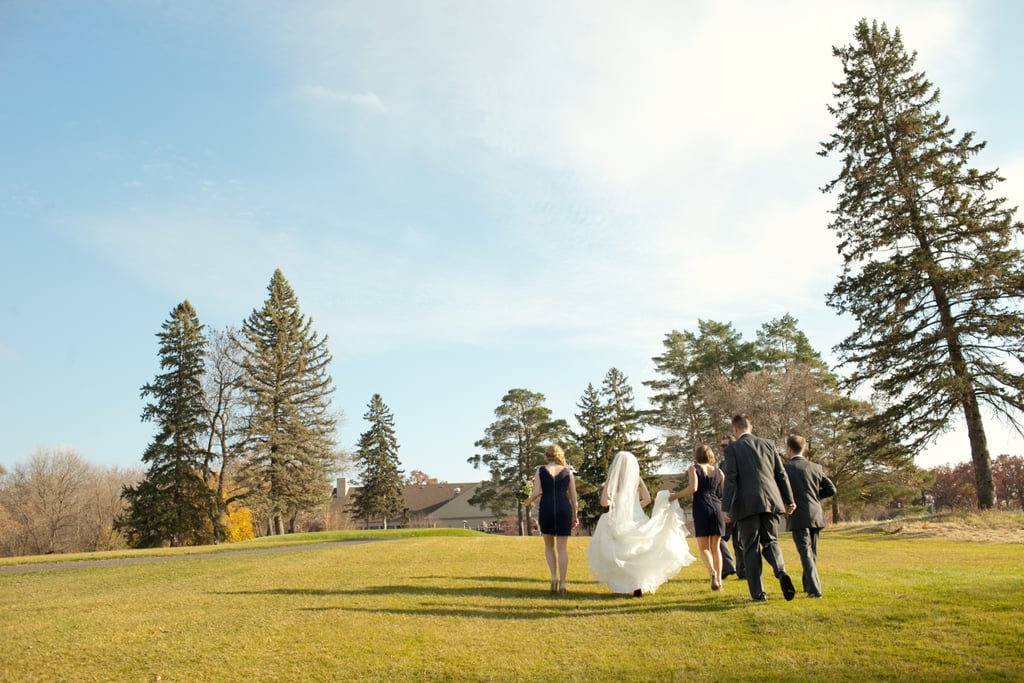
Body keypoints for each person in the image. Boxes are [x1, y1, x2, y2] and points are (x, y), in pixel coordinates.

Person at [587, 451, 695, 597]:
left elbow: (604, 502)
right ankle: (637, 584)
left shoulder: (612, 480)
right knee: (638, 551)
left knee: (622, 551)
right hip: (636, 515)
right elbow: (647, 499)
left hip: (618, 516)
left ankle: (627, 583)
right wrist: (636, 506)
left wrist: (616, 504)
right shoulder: (636, 479)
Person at [721, 414, 798, 602]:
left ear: (735, 430)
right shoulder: (768, 444)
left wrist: (725, 507)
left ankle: (758, 594)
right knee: (770, 541)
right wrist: (789, 500)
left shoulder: (733, 449)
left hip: (746, 504)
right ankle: (781, 571)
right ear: (751, 427)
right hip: (771, 500)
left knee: (751, 548)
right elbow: (781, 474)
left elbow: (730, 478)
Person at [783, 435, 837, 598]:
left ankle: (815, 589)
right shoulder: (816, 467)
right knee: (811, 552)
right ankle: (808, 585)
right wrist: (814, 497)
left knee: (806, 553)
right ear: (804, 448)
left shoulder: (786, 468)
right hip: (815, 513)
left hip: (798, 514)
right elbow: (831, 489)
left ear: (789, 449)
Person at [524, 444, 579, 596]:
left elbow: (535, 492)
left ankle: (553, 577)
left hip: (546, 508)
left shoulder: (540, 470)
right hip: (563, 508)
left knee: (549, 546)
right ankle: (563, 583)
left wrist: (527, 501)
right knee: (562, 548)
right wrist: (576, 515)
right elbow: (574, 498)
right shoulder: (568, 472)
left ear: (547, 455)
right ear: (560, 455)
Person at [669, 445, 726, 590]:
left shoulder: (694, 469)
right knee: (716, 548)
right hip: (717, 508)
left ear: (697, 455)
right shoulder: (719, 471)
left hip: (702, 508)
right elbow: (725, 491)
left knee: (703, 548)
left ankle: (712, 572)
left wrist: (675, 495)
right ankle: (719, 579)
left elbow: (693, 488)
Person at [718, 435, 743, 581]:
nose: (722, 448)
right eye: (721, 446)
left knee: (719, 537)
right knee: (739, 540)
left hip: (732, 505)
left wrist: (725, 504)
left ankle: (728, 566)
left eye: (725, 446)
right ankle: (743, 571)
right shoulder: (723, 464)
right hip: (736, 504)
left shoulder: (728, 464)